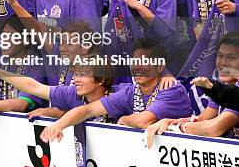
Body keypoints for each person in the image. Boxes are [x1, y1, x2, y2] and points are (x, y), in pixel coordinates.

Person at [40, 40, 192, 142]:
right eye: (134, 61)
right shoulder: (130, 92)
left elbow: (143, 121)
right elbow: (86, 110)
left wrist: (124, 120)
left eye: (144, 62)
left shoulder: (171, 88)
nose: (137, 67)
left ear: (160, 67)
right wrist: (58, 125)